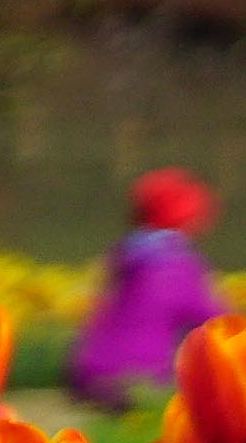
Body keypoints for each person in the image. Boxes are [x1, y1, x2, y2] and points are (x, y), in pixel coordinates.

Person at [66, 168, 232, 411]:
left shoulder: (125, 254)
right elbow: (216, 321)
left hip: (86, 371)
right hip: (140, 378)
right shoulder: (176, 264)